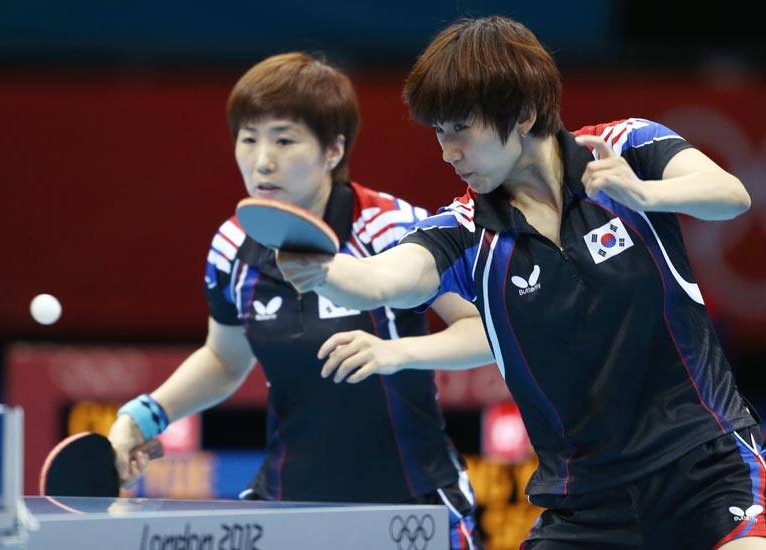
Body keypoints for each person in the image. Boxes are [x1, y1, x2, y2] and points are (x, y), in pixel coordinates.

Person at [276, 17, 764, 549]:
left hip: (707, 470)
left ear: (525, 113)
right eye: (439, 131)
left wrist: (647, 197)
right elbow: (382, 279)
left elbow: (728, 193)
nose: (447, 151)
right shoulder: (464, 232)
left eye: (461, 127)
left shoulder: (626, 148)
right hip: (584, 504)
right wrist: (325, 270)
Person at [108, 52, 485, 549]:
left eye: (284, 140)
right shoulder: (232, 246)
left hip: (412, 508)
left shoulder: (395, 229)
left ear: (333, 149)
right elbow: (224, 358)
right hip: (287, 506)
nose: (263, 159)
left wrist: (397, 353)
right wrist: (142, 416)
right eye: (248, 138)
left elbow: (485, 329)